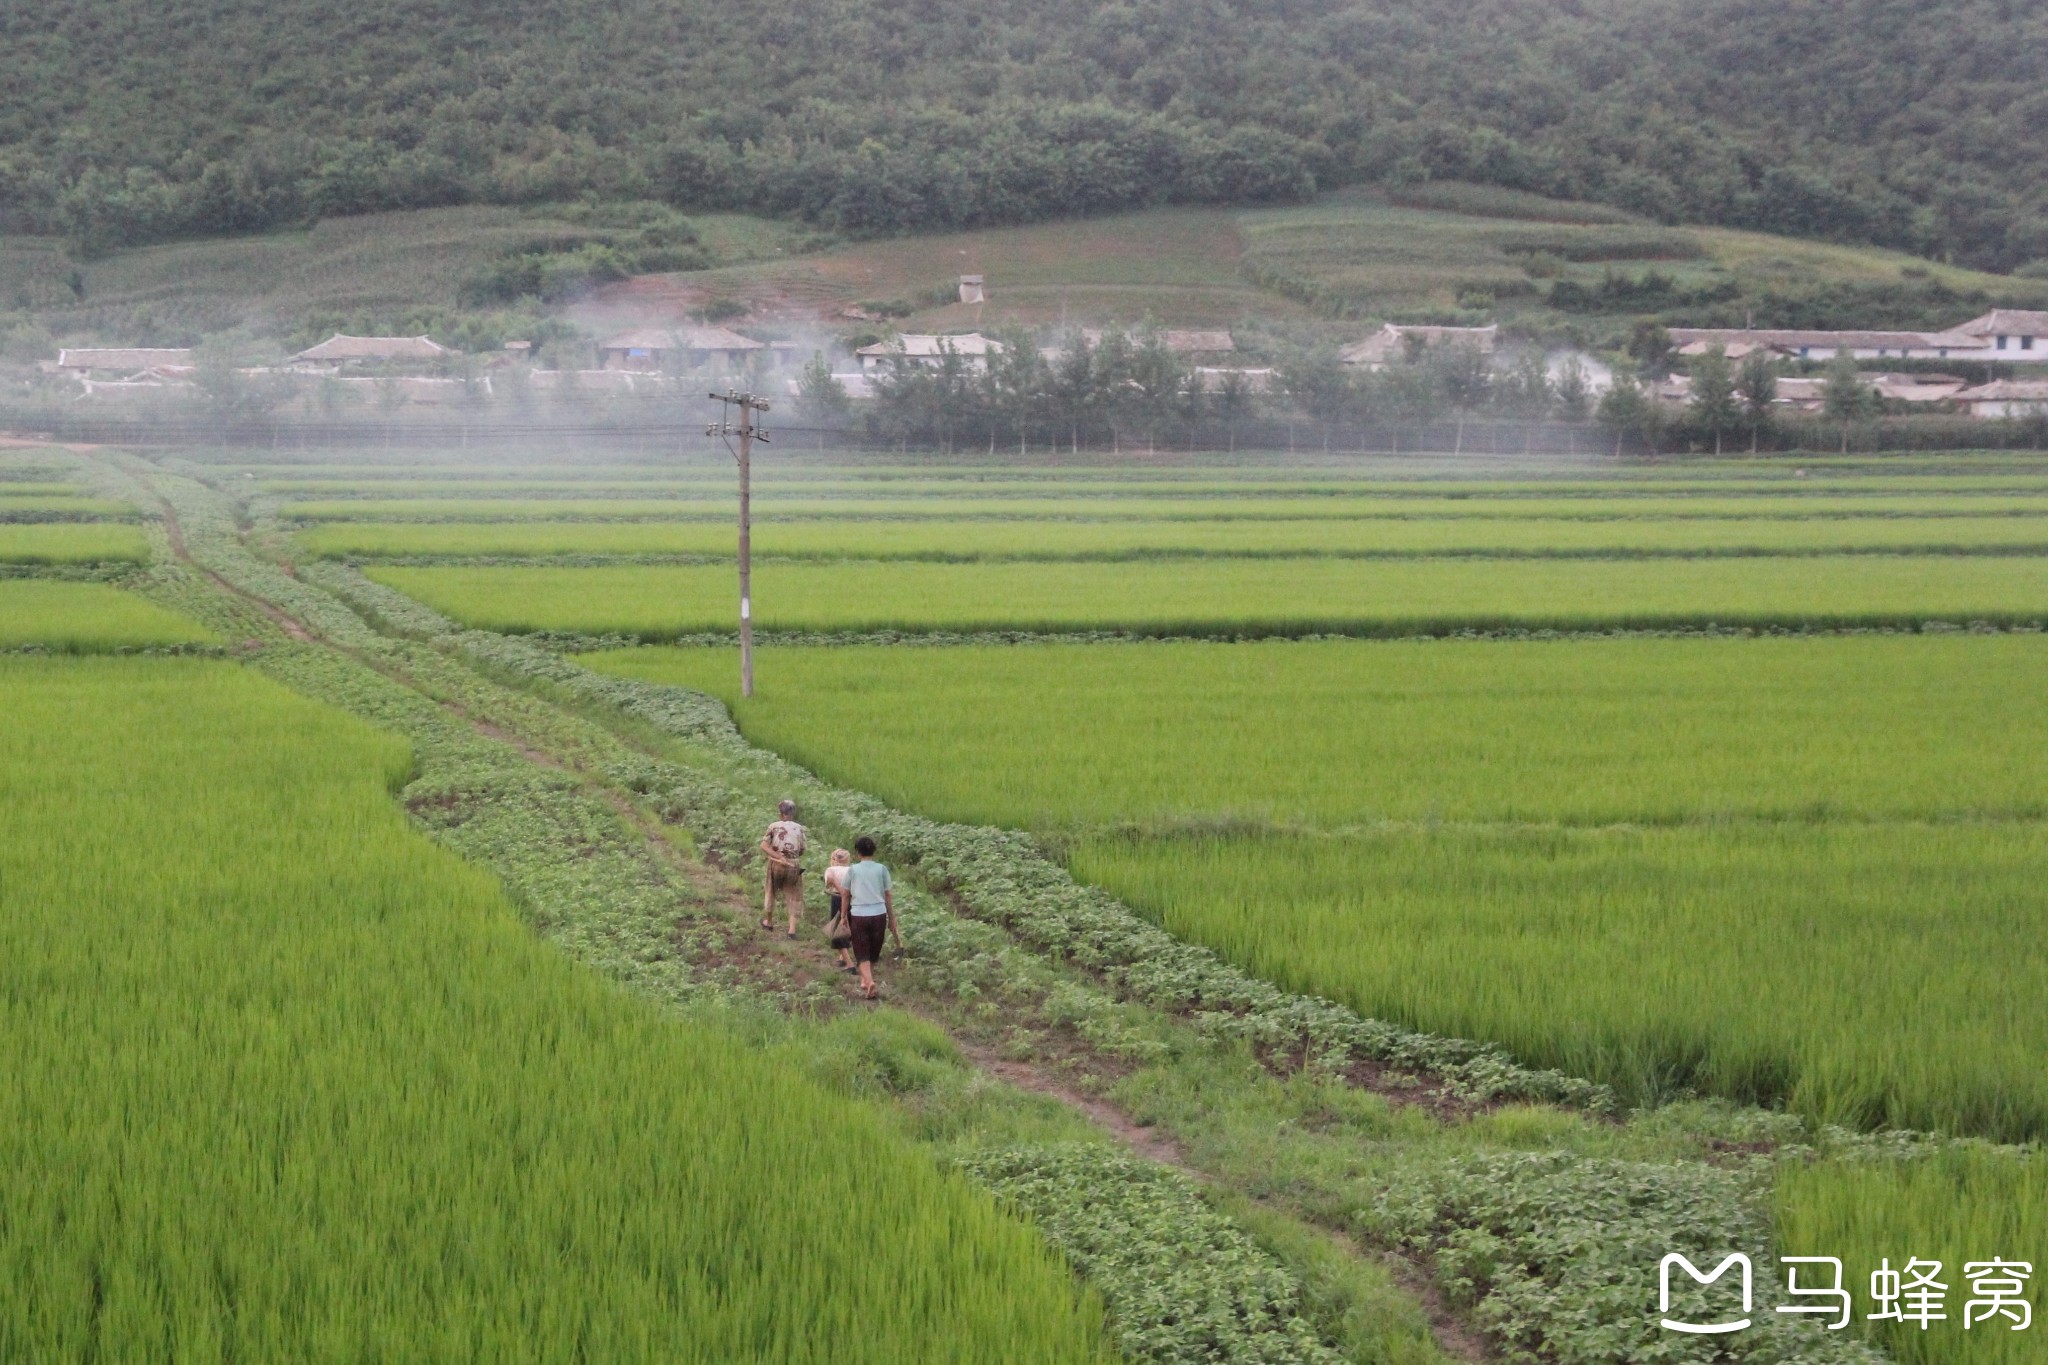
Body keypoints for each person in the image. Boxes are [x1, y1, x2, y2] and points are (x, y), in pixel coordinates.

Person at [842, 835, 901, 1001]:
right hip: (879, 914)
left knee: (861, 952)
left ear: (857, 852)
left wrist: (842, 917)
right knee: (873, 951)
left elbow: (846, 894)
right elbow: (887, 895)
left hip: (859, 915)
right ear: (874, 851)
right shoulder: (882, 869)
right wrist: (892, 918)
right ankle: (866, 980)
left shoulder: (852, 870)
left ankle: (869, 982)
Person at [759, 799, 807, 938]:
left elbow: (763, 845)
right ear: (792, 814)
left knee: (771, 890)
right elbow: (802, 850)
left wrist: (778, 856)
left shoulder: (774, 826)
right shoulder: (799, 828)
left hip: (777, 864)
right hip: (793, 865)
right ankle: (791, 930)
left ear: (781, 814)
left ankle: (769, 921)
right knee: (794, 895)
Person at [822, 848, 855, 972]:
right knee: (849, 927)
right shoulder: (852, 870)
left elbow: (828, 883)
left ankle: (850, 964)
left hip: (837, 898)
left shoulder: (830, 870)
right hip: (853, 900)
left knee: (838, 931)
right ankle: (842, 958)